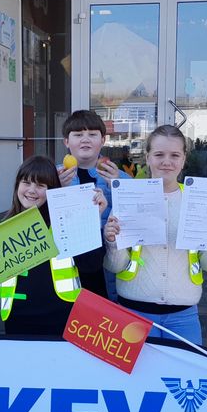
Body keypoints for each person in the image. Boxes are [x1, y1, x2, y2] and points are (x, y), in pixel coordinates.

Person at [103, 125, 207, 345]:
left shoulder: (198, 201)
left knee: (185, 378)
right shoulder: (130, 198)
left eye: (175, 155)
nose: (167, 161)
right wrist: (112, 242)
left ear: (184, 159)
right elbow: (116, 266)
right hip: (135, 313)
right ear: (147, 157)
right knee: (138, 380)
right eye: (159, 154)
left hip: (183, 316)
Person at [0, 155, 105, 336]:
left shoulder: (65, 223)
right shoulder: (3, 230)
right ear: (17, 186)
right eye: (26, 182)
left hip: (64, 320)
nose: (32, 190)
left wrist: (93, 219)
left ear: (52, 189)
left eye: (41, 185)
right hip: (17, 322)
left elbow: (91, 266)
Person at [57, 110, 129, 300]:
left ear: (103, 140)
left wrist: (118, 187)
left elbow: (135, 214)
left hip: (106, 264)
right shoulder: (55, 176)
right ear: (66, 142)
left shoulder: (119, 177)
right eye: (78, 135)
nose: (85, 140)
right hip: (69, 264)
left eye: (92, 134)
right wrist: (56, 189)